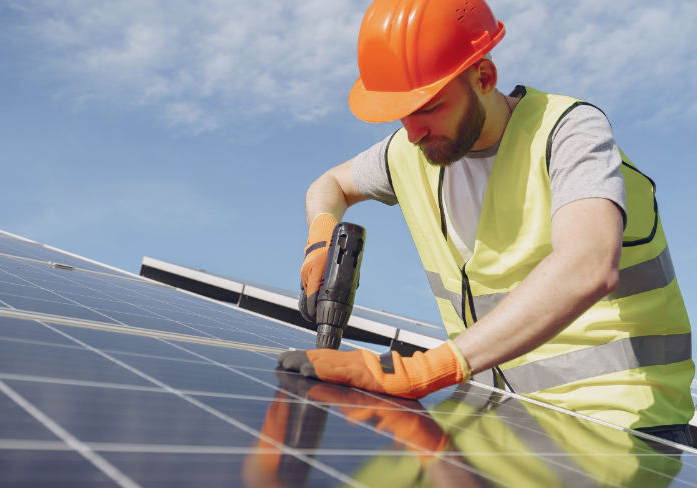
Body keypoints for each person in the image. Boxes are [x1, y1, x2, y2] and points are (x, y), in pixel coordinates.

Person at [278, 0, 695, 446]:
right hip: (505, 420)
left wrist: (426, 370)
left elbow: (589, 262)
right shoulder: (408, 152)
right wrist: (321, 235)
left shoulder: (569, 132)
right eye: (401, 112)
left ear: (484, 78)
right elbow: (330, 185)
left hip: (622, 426)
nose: (413, 130)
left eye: (429, 106)